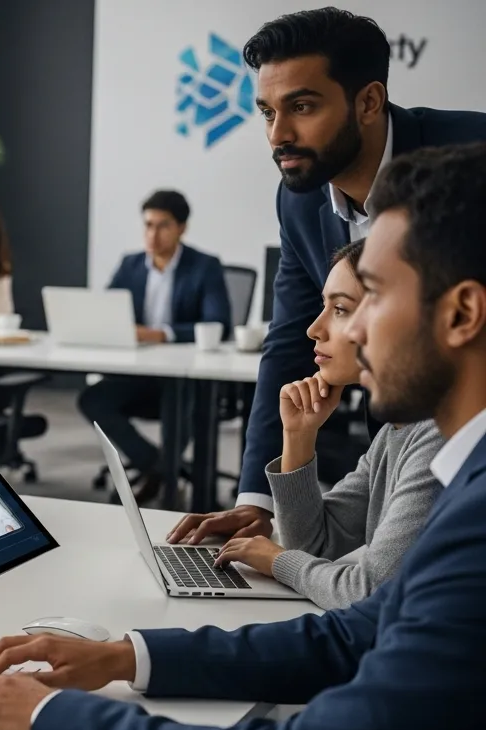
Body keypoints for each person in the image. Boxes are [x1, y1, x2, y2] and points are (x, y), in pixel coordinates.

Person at [0, 142, 486, 730]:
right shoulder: (462, 474)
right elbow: (353, 634)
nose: (349, 331)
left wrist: (51, 718)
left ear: (463, 313)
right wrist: (126, 656)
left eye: (373, 298)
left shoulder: (475, 517)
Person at [188, 7, 486, 544]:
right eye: (267, 112)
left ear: (368, 102)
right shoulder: (299, 200)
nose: (278, 134)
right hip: (398, 444)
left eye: (302, 106)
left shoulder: (472, 154)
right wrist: (255, 499)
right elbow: (289, 340)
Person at [216, 239, 442, 609]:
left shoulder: (438, 440)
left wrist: (277, 562)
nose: (314, 329)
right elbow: (312, 543)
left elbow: (368, 593)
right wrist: (299, 435)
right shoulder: (396, 431)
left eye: (339, 309)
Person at [77, 189, 231, 503]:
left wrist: (160, 334)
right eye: (148, 225)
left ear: (181, 228)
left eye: (163, 226)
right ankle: (159, 468)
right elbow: (107, 312)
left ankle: (166, 478)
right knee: (92, 400)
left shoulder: (204, 266)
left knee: (181, 402)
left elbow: (218, 323)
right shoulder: (130, 265)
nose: (153, 234)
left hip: (184, 377)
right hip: (139, 374)